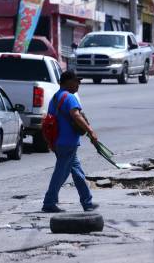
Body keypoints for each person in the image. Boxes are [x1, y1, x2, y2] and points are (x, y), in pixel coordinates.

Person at [42, 71, 99, 213]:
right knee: (61, 173)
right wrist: (91, 131)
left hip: (58, 142)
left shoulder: (55, 98)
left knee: (77, 172)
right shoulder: (70, 97)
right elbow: (76, 115)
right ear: (68, 82)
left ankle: (87, 202)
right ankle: (49, 202)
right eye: (76, 81)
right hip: (67, 142)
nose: (78, 84)